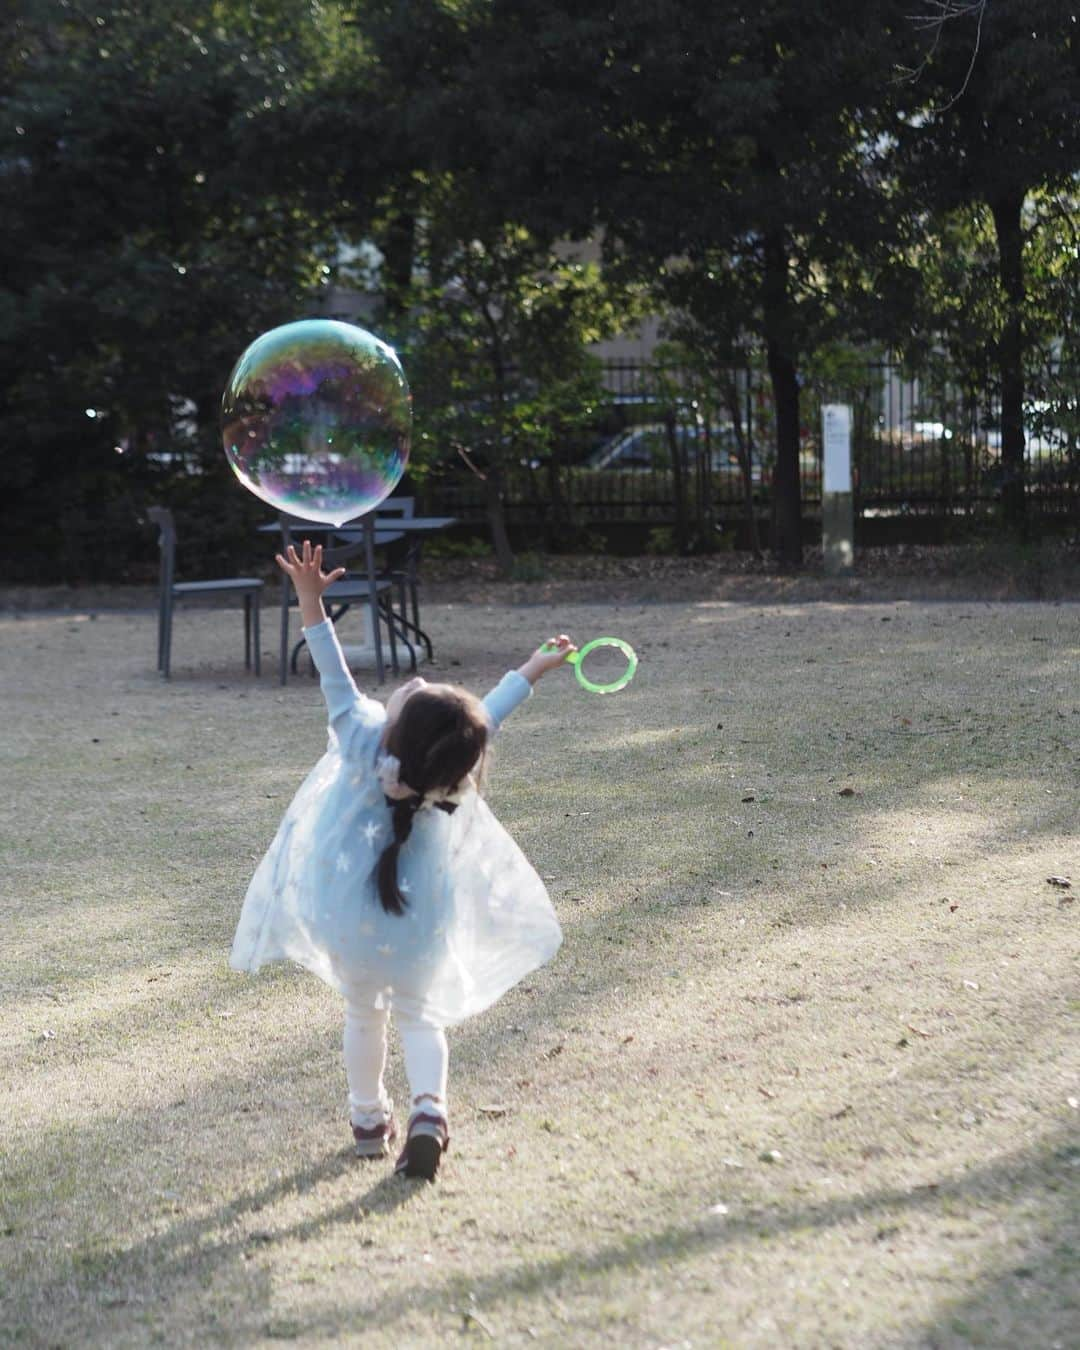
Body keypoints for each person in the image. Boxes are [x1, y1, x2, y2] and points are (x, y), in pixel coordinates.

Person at [229, 540, 569, 1180]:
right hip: (422, 922)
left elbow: (333, 669)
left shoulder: (360, 736)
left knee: (364, 1015)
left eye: (418, 691)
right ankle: (429, 1112)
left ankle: (366, 1120)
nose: (417, 681)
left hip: (348, 922)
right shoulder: (450, 770)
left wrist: (309, 599)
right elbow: (487, 715)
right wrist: (534, 667)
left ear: (396, 726)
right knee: (420, 1017)